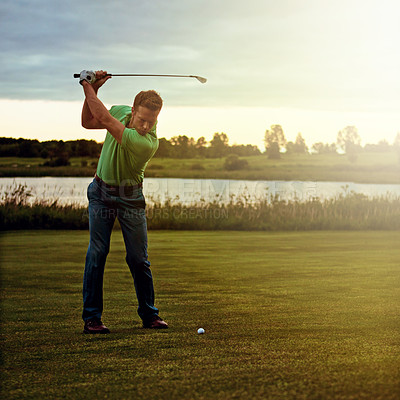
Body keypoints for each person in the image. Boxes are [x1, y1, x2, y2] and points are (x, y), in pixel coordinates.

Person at [79, 70, 168, 334]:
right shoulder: (120, 112)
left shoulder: (147, 143)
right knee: (98, 252)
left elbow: (104, 117)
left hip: (131, 199)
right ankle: (92, 318)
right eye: (141, 120)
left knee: (138, 258)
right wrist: (92, 94)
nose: (145, 126)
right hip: (101, 194)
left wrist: (88, 86)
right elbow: (88, 121)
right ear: (132, 110)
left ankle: (149, 315)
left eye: (151, 122)